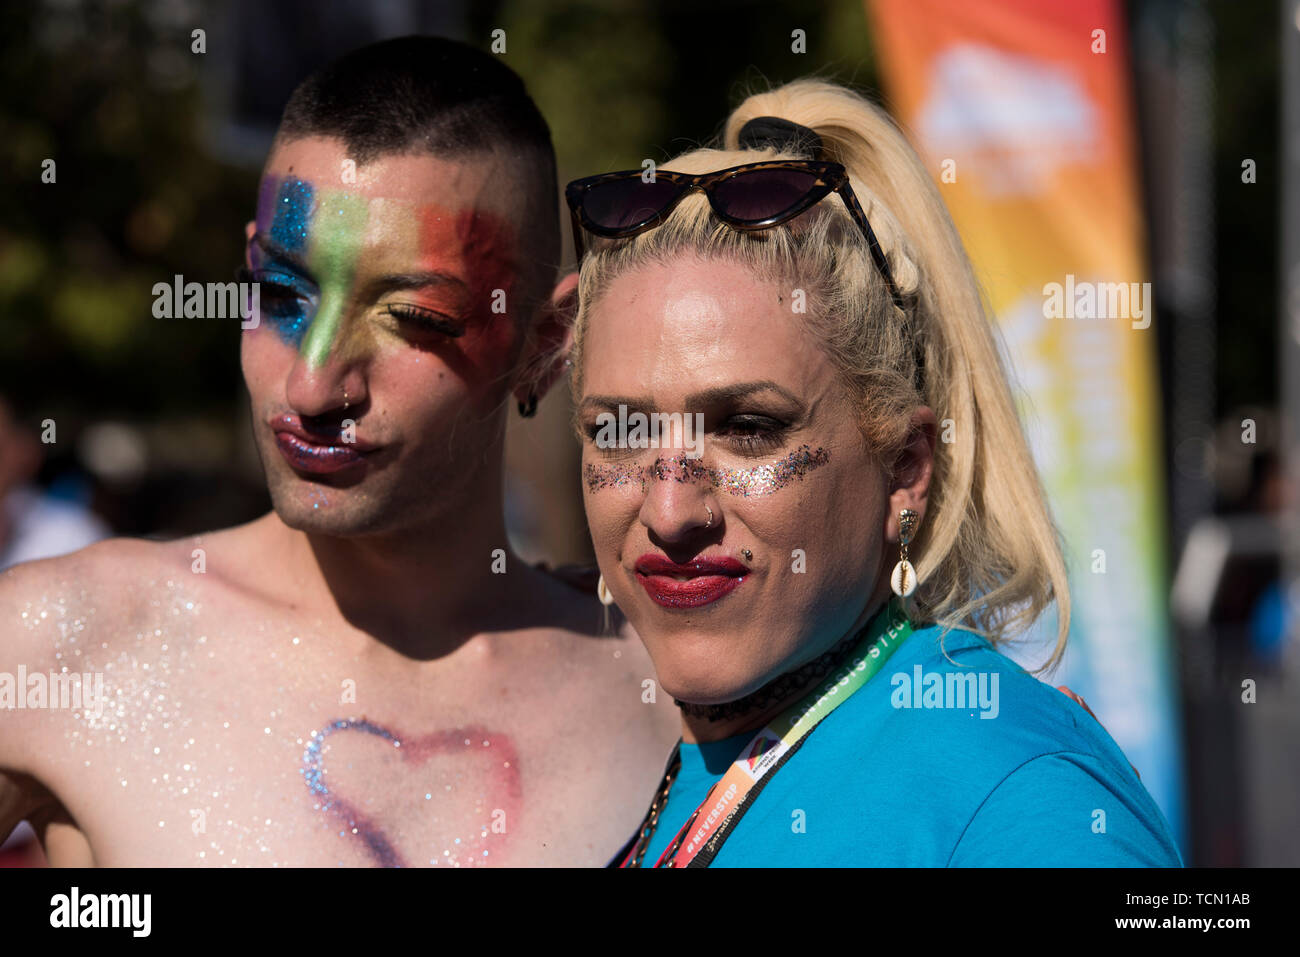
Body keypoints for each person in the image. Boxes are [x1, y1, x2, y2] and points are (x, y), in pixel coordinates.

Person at [0, 36, 679, 867]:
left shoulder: (664, 684)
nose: (316, 387)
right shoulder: (62, 643)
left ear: (542, 343)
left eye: (414, 320)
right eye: (281, 292)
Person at [564, 78, 1183, 866]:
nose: (673, 509)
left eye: (748, 430)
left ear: (905, 471)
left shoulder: (1024, 799)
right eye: (622, 432)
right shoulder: (700, 754)